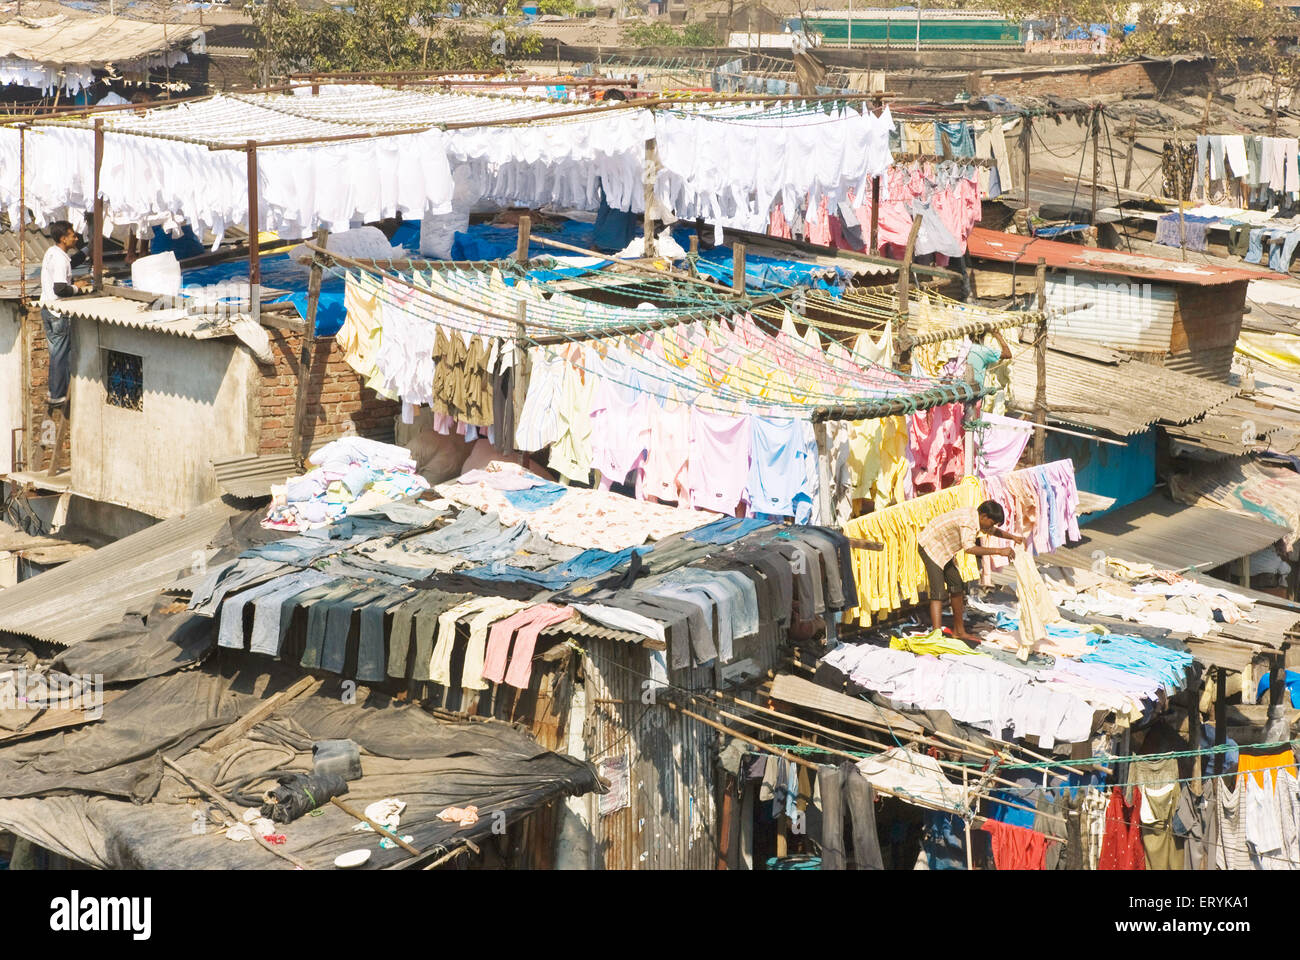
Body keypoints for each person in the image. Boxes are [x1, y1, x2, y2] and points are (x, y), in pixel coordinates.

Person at [917, 498, 1025, 644]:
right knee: (938, 592)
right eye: (991, 522)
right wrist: (999, 551)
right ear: (984, 516)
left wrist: (1013, 537)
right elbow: (969, 548)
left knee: (957, 586)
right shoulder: (968, 522)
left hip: (945, 550)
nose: (991, 527)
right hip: (931, 547)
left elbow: (992, 531)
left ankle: (959, 631)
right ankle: (936, 636)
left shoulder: (977, 517)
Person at [40, 220, 91, 409]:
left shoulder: (53, 253)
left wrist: (87, 250)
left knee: (55, 352)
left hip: (47, 308)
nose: (76, 238)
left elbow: (71, 262)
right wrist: (77, 288)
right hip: (58, 311)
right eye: (72, 235)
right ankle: (57, 394)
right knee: (60, 354)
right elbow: (61, 288)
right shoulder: (60, 259)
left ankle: (54, 390)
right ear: (63, 238)